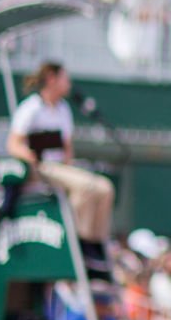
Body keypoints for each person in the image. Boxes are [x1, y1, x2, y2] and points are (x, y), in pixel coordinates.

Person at [6, 62, 115, 270]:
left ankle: (94, 242)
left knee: (105, 187)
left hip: (60, 168)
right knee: (85, 186)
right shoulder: (31, 108)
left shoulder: (64, 109)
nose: (69, 84)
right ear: (51, 78)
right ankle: (77, 240)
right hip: (39, 168)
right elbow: (13, 144)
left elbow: (67, 147)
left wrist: (71, 166)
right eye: (65, 78)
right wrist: (31, 157)